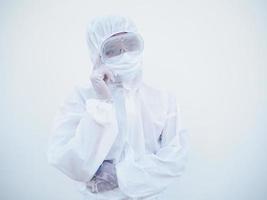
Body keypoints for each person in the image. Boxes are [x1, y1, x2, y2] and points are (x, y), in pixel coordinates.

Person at [46, 15, 189, 200]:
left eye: (130, 44)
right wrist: (102, 103)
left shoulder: (162, 97)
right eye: (112, 49)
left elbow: (176, 159)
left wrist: (122, 176)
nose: (125, 53)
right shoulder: (81, 97)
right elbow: (68, 161)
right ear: (97, 54)